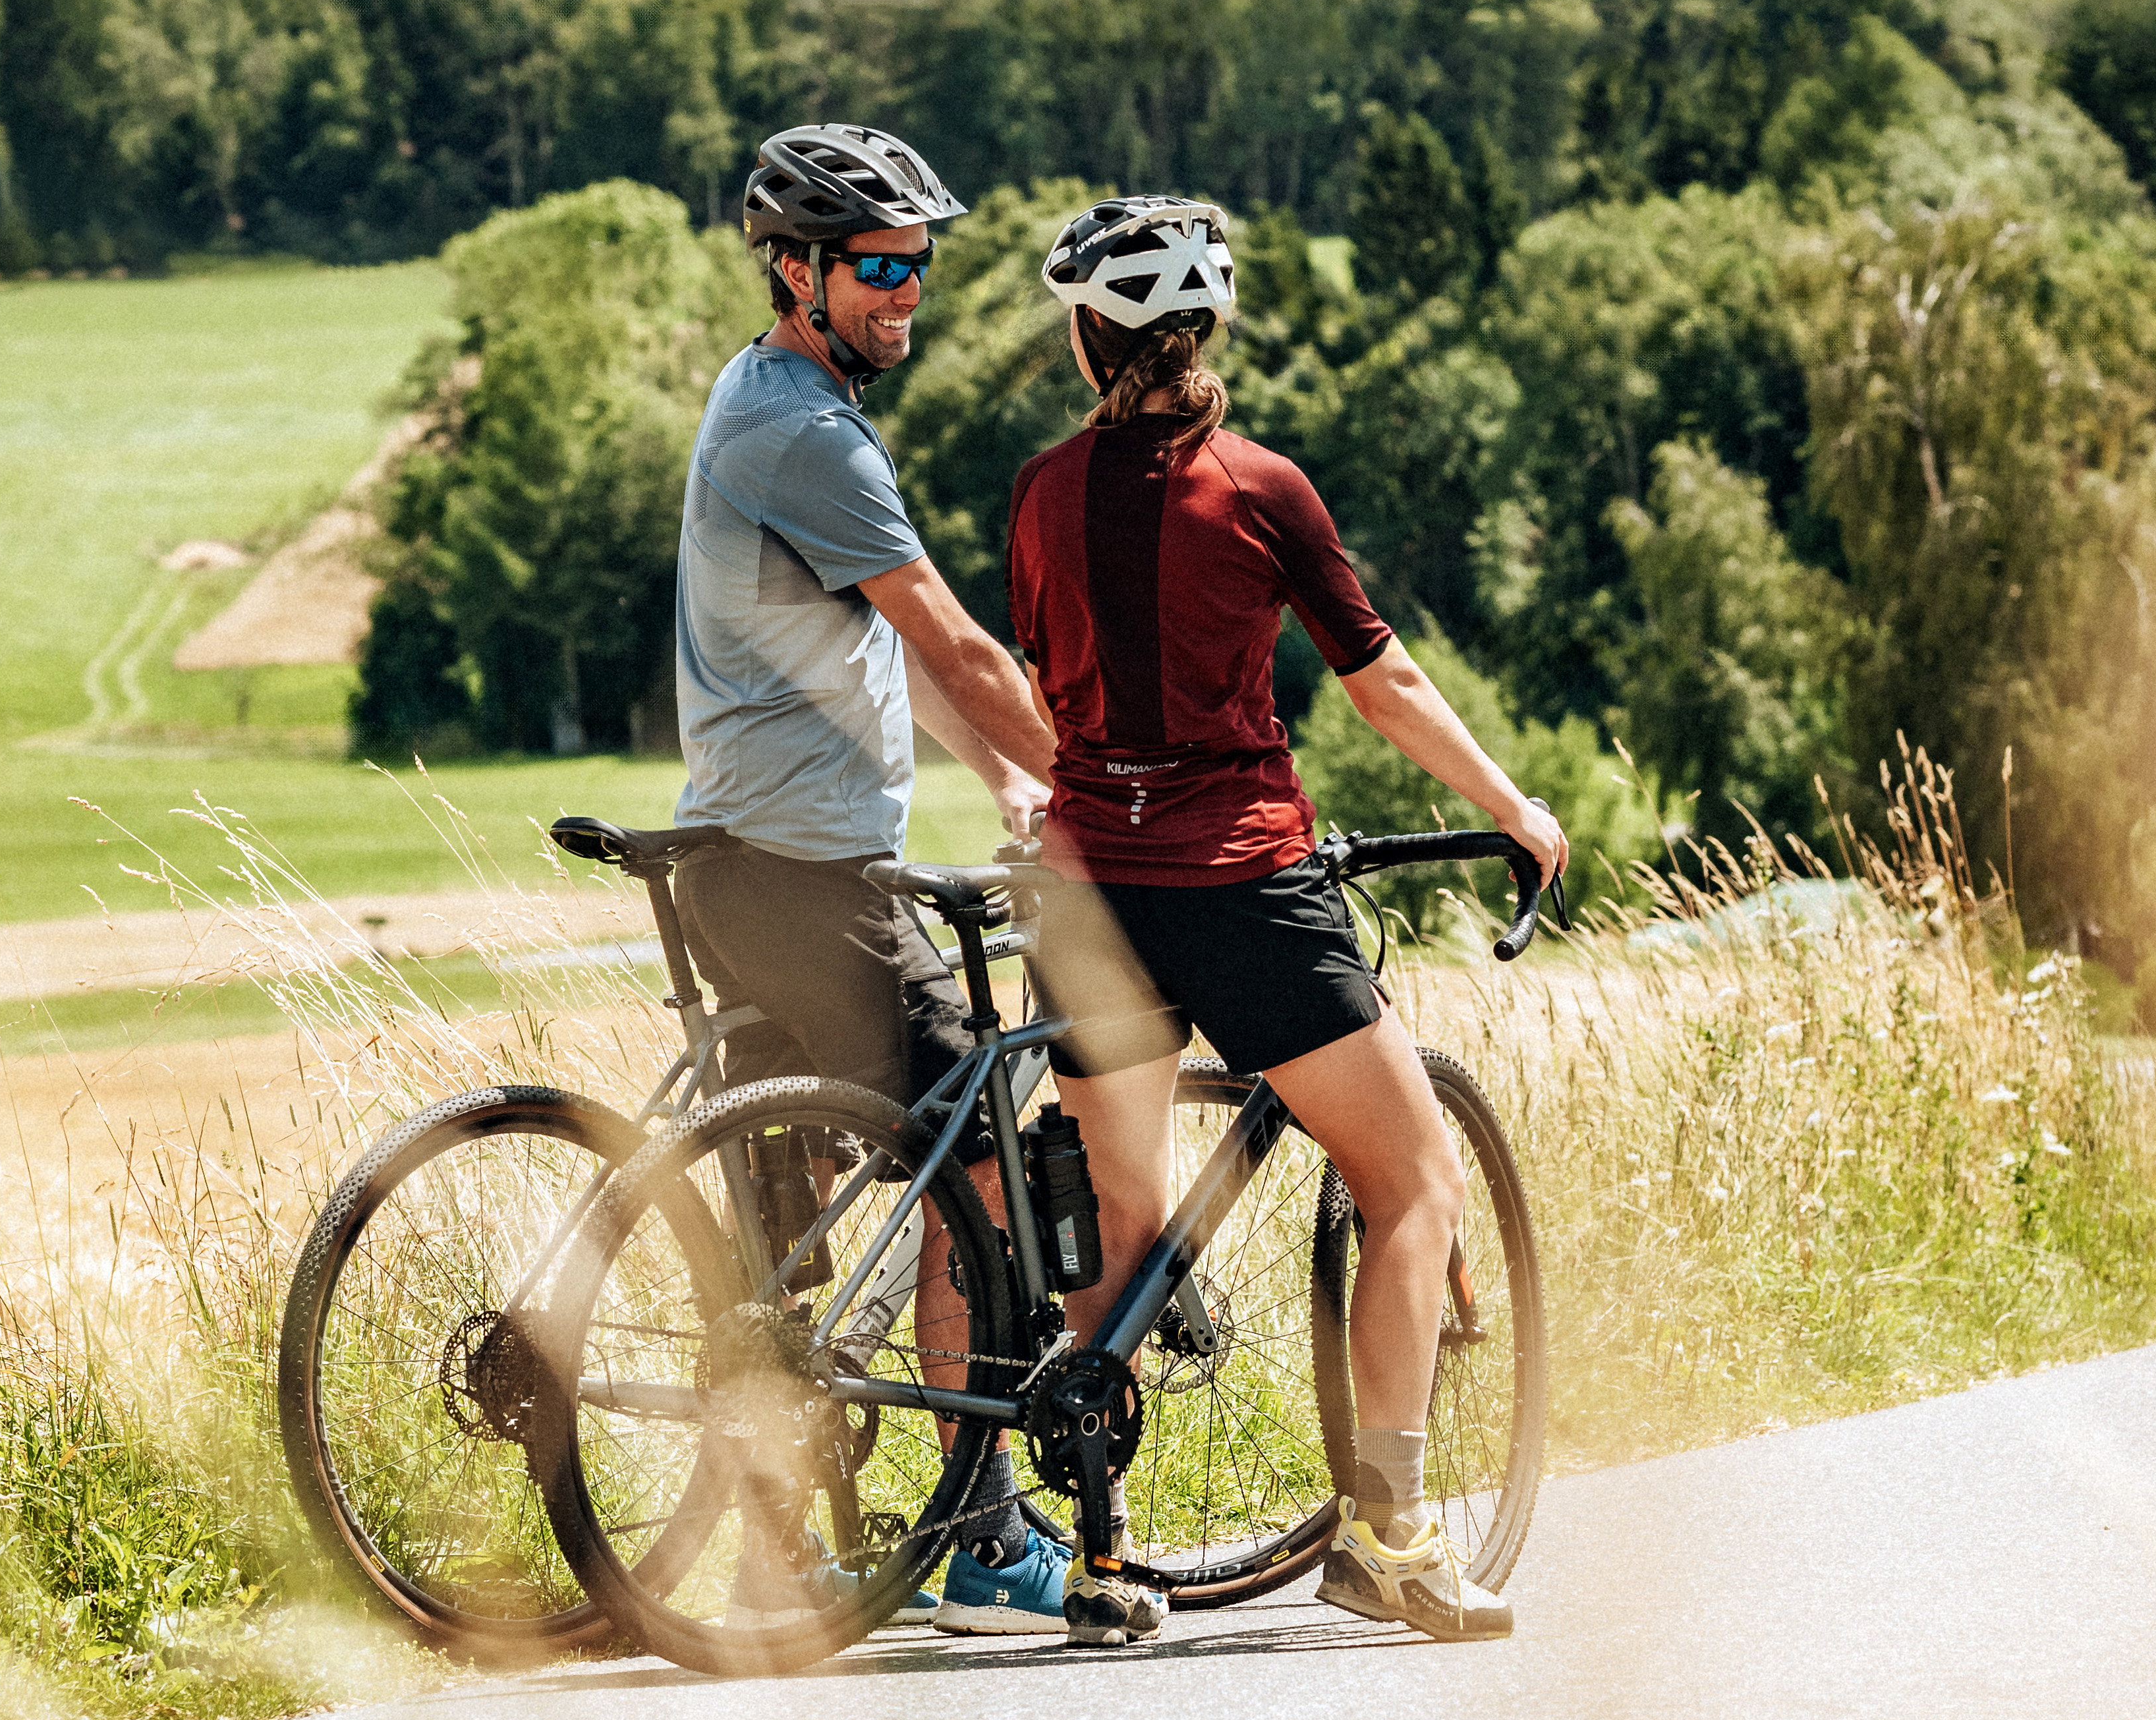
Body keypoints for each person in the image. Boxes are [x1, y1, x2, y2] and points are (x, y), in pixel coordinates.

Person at [1002, 192, 1570, 1643]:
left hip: (1083, 891)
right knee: (1414, 1179)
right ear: (1206, 335)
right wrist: (1514, 806)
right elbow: (1382, 682)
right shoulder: (1260, 487)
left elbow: (1045, 672)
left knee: (1117, 1225)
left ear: (1091, 338)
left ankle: (1105, 1559)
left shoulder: (1039, 494)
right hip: (1236, 885)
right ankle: (1391, 1533)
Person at [667, 121, 1102, 1638]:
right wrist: (1105, 783)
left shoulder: (774, 397)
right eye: (874, 267)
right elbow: (957, 645)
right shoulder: (811, 431)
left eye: (917, 265)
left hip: (758, 860)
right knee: (977, 1151)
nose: (902, 292)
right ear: (794, 271)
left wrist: (1008, 778)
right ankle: (981, 1532)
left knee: (792, 1236)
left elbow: (873, 659)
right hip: (807, 876)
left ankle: (778, 1561)